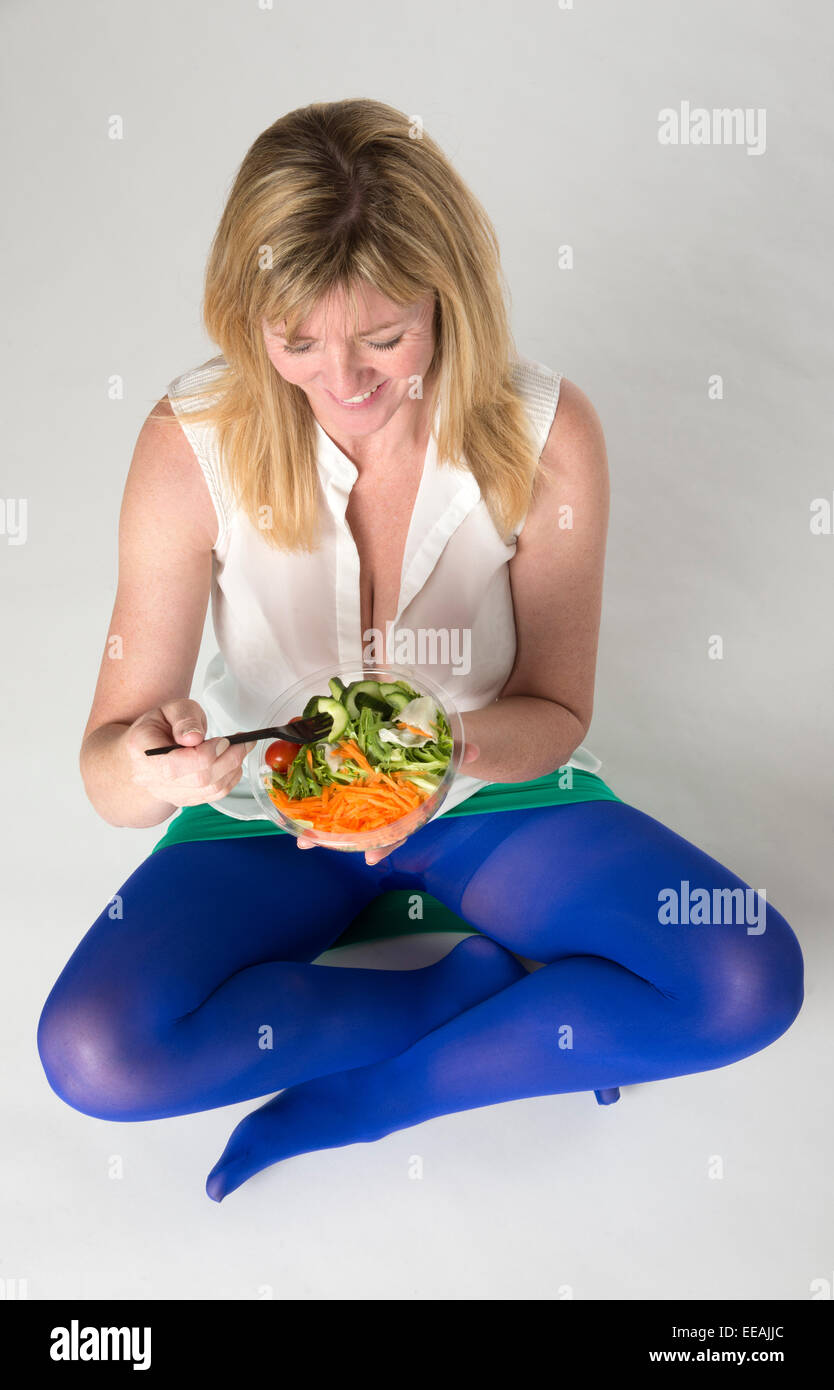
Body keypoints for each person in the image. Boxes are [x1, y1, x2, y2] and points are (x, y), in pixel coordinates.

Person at [36, 99, 803, 1203]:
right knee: (96, 1053)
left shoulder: (548, 433)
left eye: (384, 338)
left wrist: (446, 758)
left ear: (452, 300)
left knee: (744, 976)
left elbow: (554, 707)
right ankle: (457, 990)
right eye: (295, 340)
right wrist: (151, 764)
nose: (342, 385)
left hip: (479, 793)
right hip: (265, 809)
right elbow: (111, 770)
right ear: (247, 311)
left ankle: (386, 1091)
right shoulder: (186, 440)